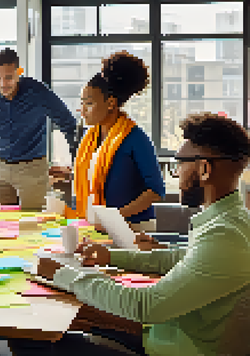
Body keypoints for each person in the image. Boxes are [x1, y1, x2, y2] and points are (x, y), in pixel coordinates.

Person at [31, 112, 250, 356]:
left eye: (179, 163)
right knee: (72, 320)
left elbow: (144, 306)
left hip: (175, 347)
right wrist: (111, 257)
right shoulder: (234, 220)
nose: (176, 174)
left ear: (205, 169)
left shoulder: (224, 236)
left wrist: (63, 275)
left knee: (36, 339)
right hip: (167, 332)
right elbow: (179, 259)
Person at [49, 51, 165, 232]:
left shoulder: (135, 138)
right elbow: (102, 179)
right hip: (96, 227)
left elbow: (156, 191)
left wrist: (115, 216)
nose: (82, 110)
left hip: (133, 228)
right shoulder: (90, 138)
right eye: (81, 103)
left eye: (88, 103)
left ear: (110, 103)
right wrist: (68, 177)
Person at [0, 47, 77, 212]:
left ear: (19, 72)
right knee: (5, 226)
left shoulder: (38, 91)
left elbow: (68, 124)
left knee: (34, 225)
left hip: (32, 169)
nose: (3, 84)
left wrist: (77, 163)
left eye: (9, 77)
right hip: (1, 168)